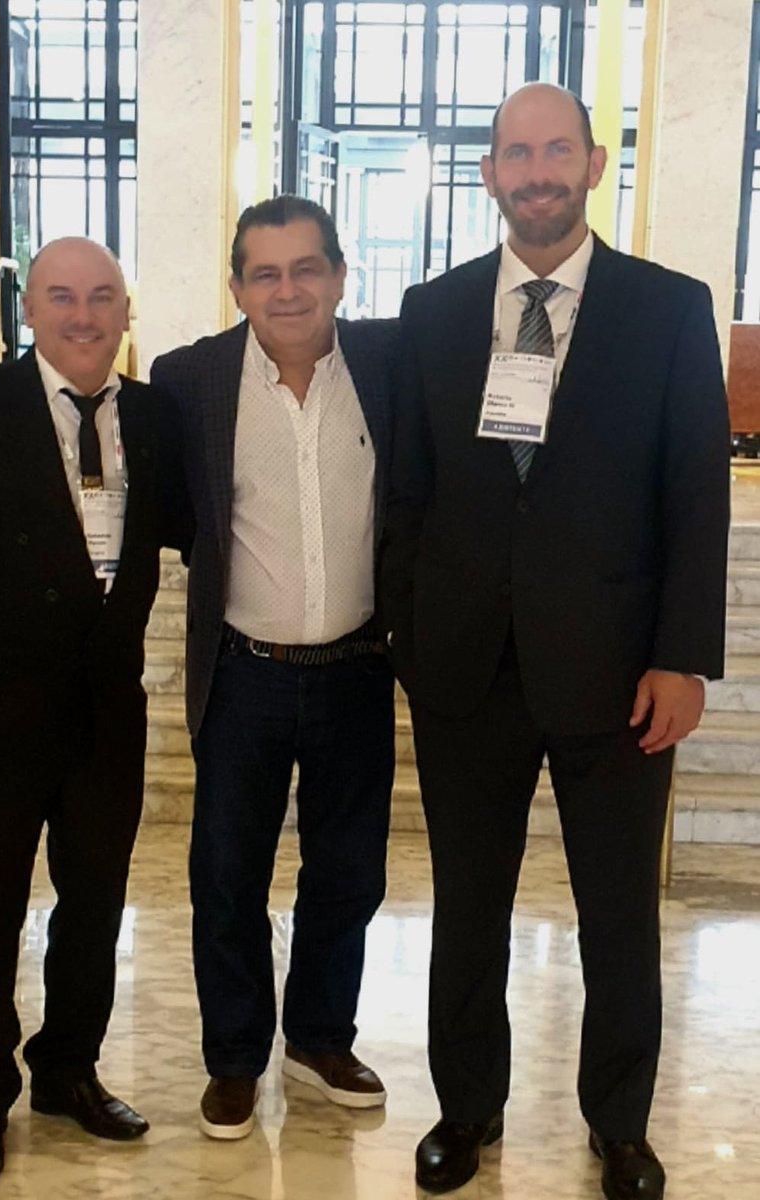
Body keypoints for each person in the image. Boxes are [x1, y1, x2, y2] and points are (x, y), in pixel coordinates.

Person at [379, 84, 730, 1200]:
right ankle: (465, 1112)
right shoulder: (430, 312)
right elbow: (408, 496)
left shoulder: (669, 308)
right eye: (515, 152)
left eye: (556, 150)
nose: (536, 170)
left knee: (619, 914)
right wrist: (409, 636)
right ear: (489, 171)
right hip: (467, 670)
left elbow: (694, 490)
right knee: (468, 908)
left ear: (591, 165)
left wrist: (683, 655)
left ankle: (619, 1125)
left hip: (621, 671)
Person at [0, 237, 190, 1187]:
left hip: (106, 716)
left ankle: (67, 1070)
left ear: (125, 310)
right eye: (62, 296)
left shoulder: (150, 415)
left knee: (94, 909)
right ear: (29, 310)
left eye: (102, 297)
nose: (83, 315)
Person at [150, 195, 396, 1140]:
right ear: (238, 285)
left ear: (339, 275)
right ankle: (235, 1057)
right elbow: (177, 518)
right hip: (244, 670)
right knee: (226, 873)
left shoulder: (387, 366)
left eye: (306, 269)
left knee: (349, 872)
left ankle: (320, 1037)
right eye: (266, 272)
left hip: (357, 668)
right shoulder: (189, 382)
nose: (287, 289)